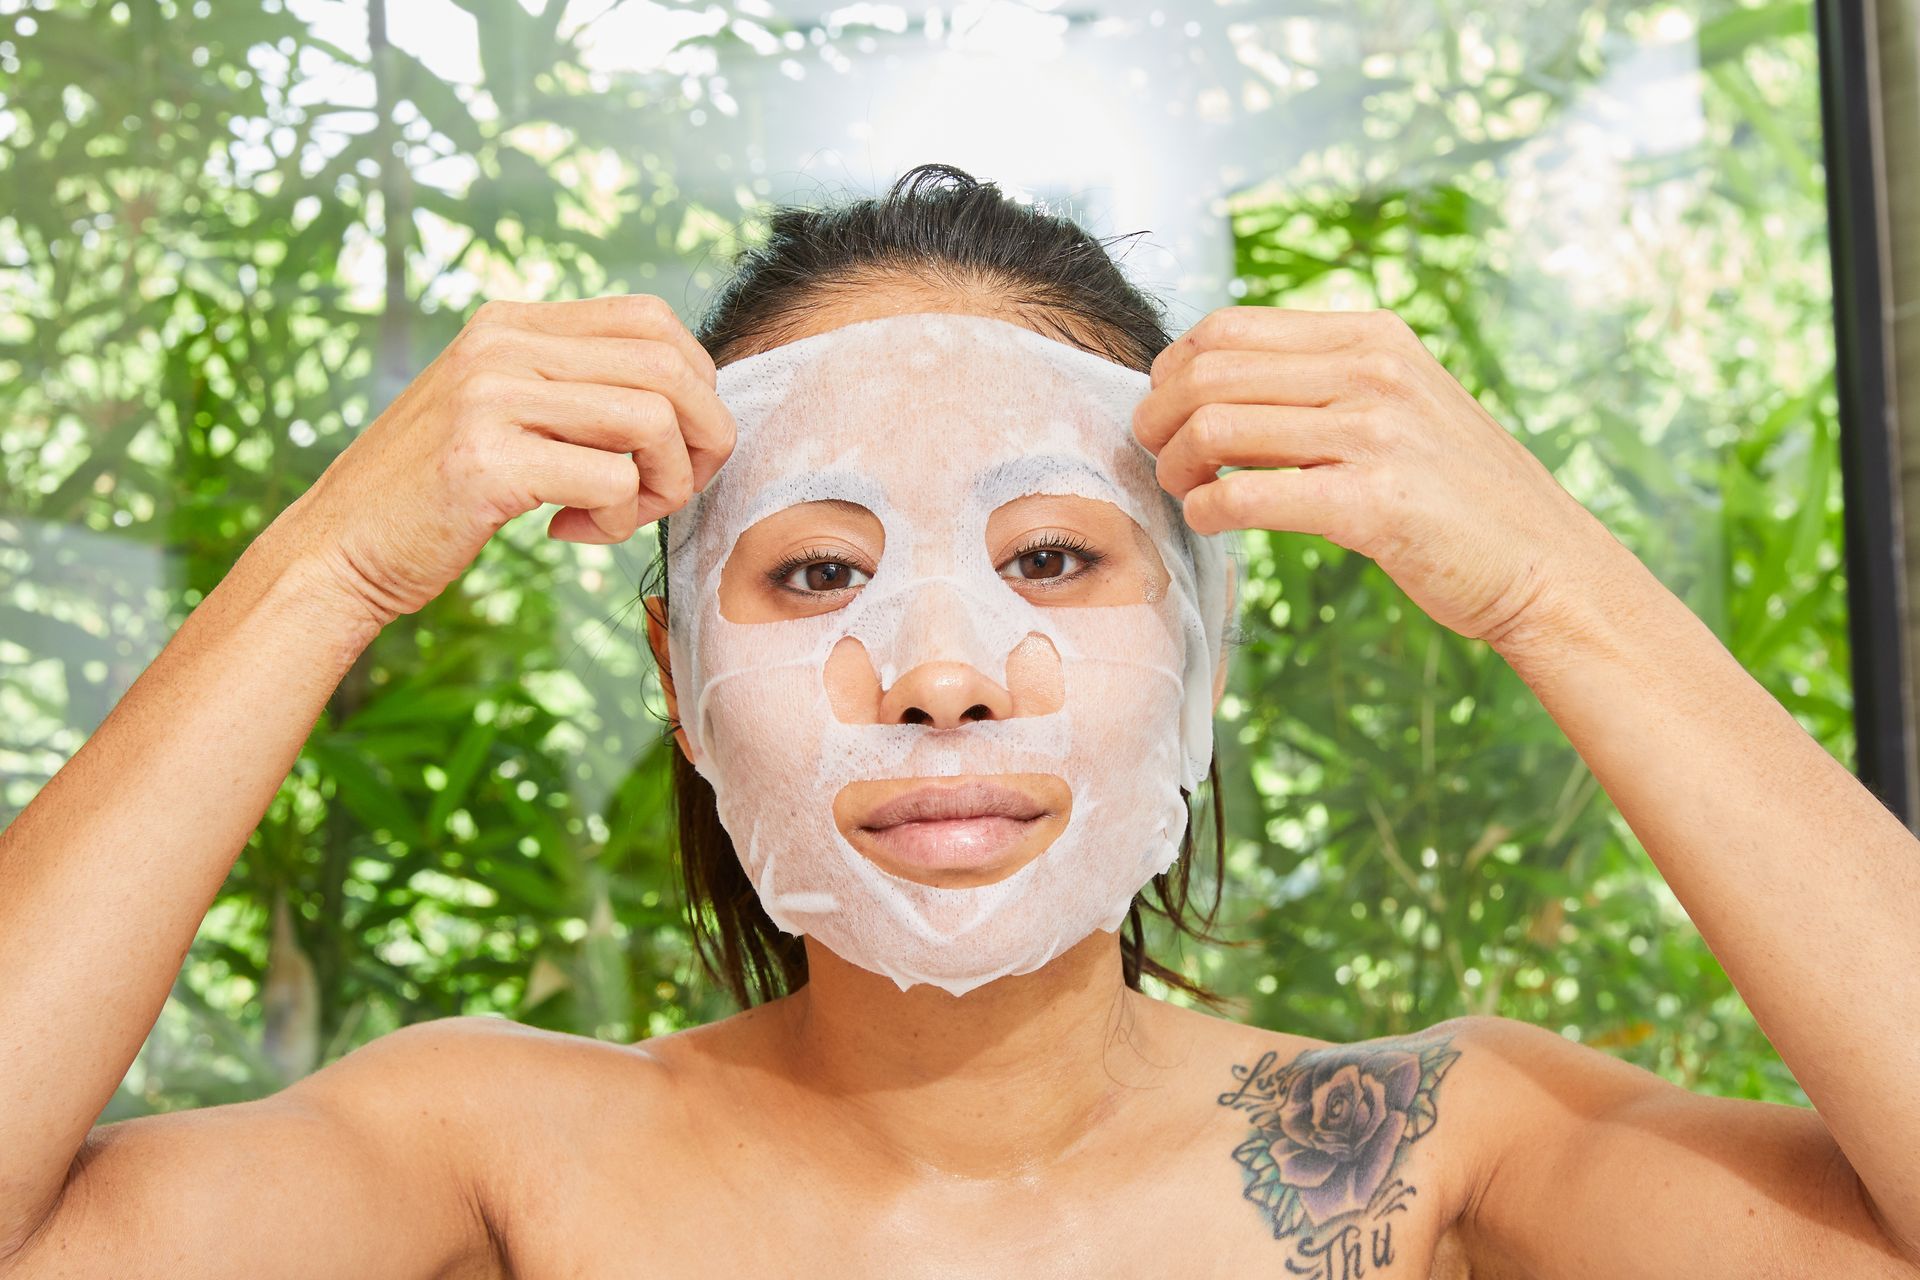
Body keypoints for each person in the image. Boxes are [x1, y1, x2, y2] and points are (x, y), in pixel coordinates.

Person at [0, 162, 1915, 1280]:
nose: (941, 671)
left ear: (1200, 648)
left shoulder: (1420, 1153)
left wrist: (1551, 583)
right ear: (679, 677)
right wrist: (331, 565)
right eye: (818, 572)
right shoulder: (500, 1146)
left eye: (1058, 562)